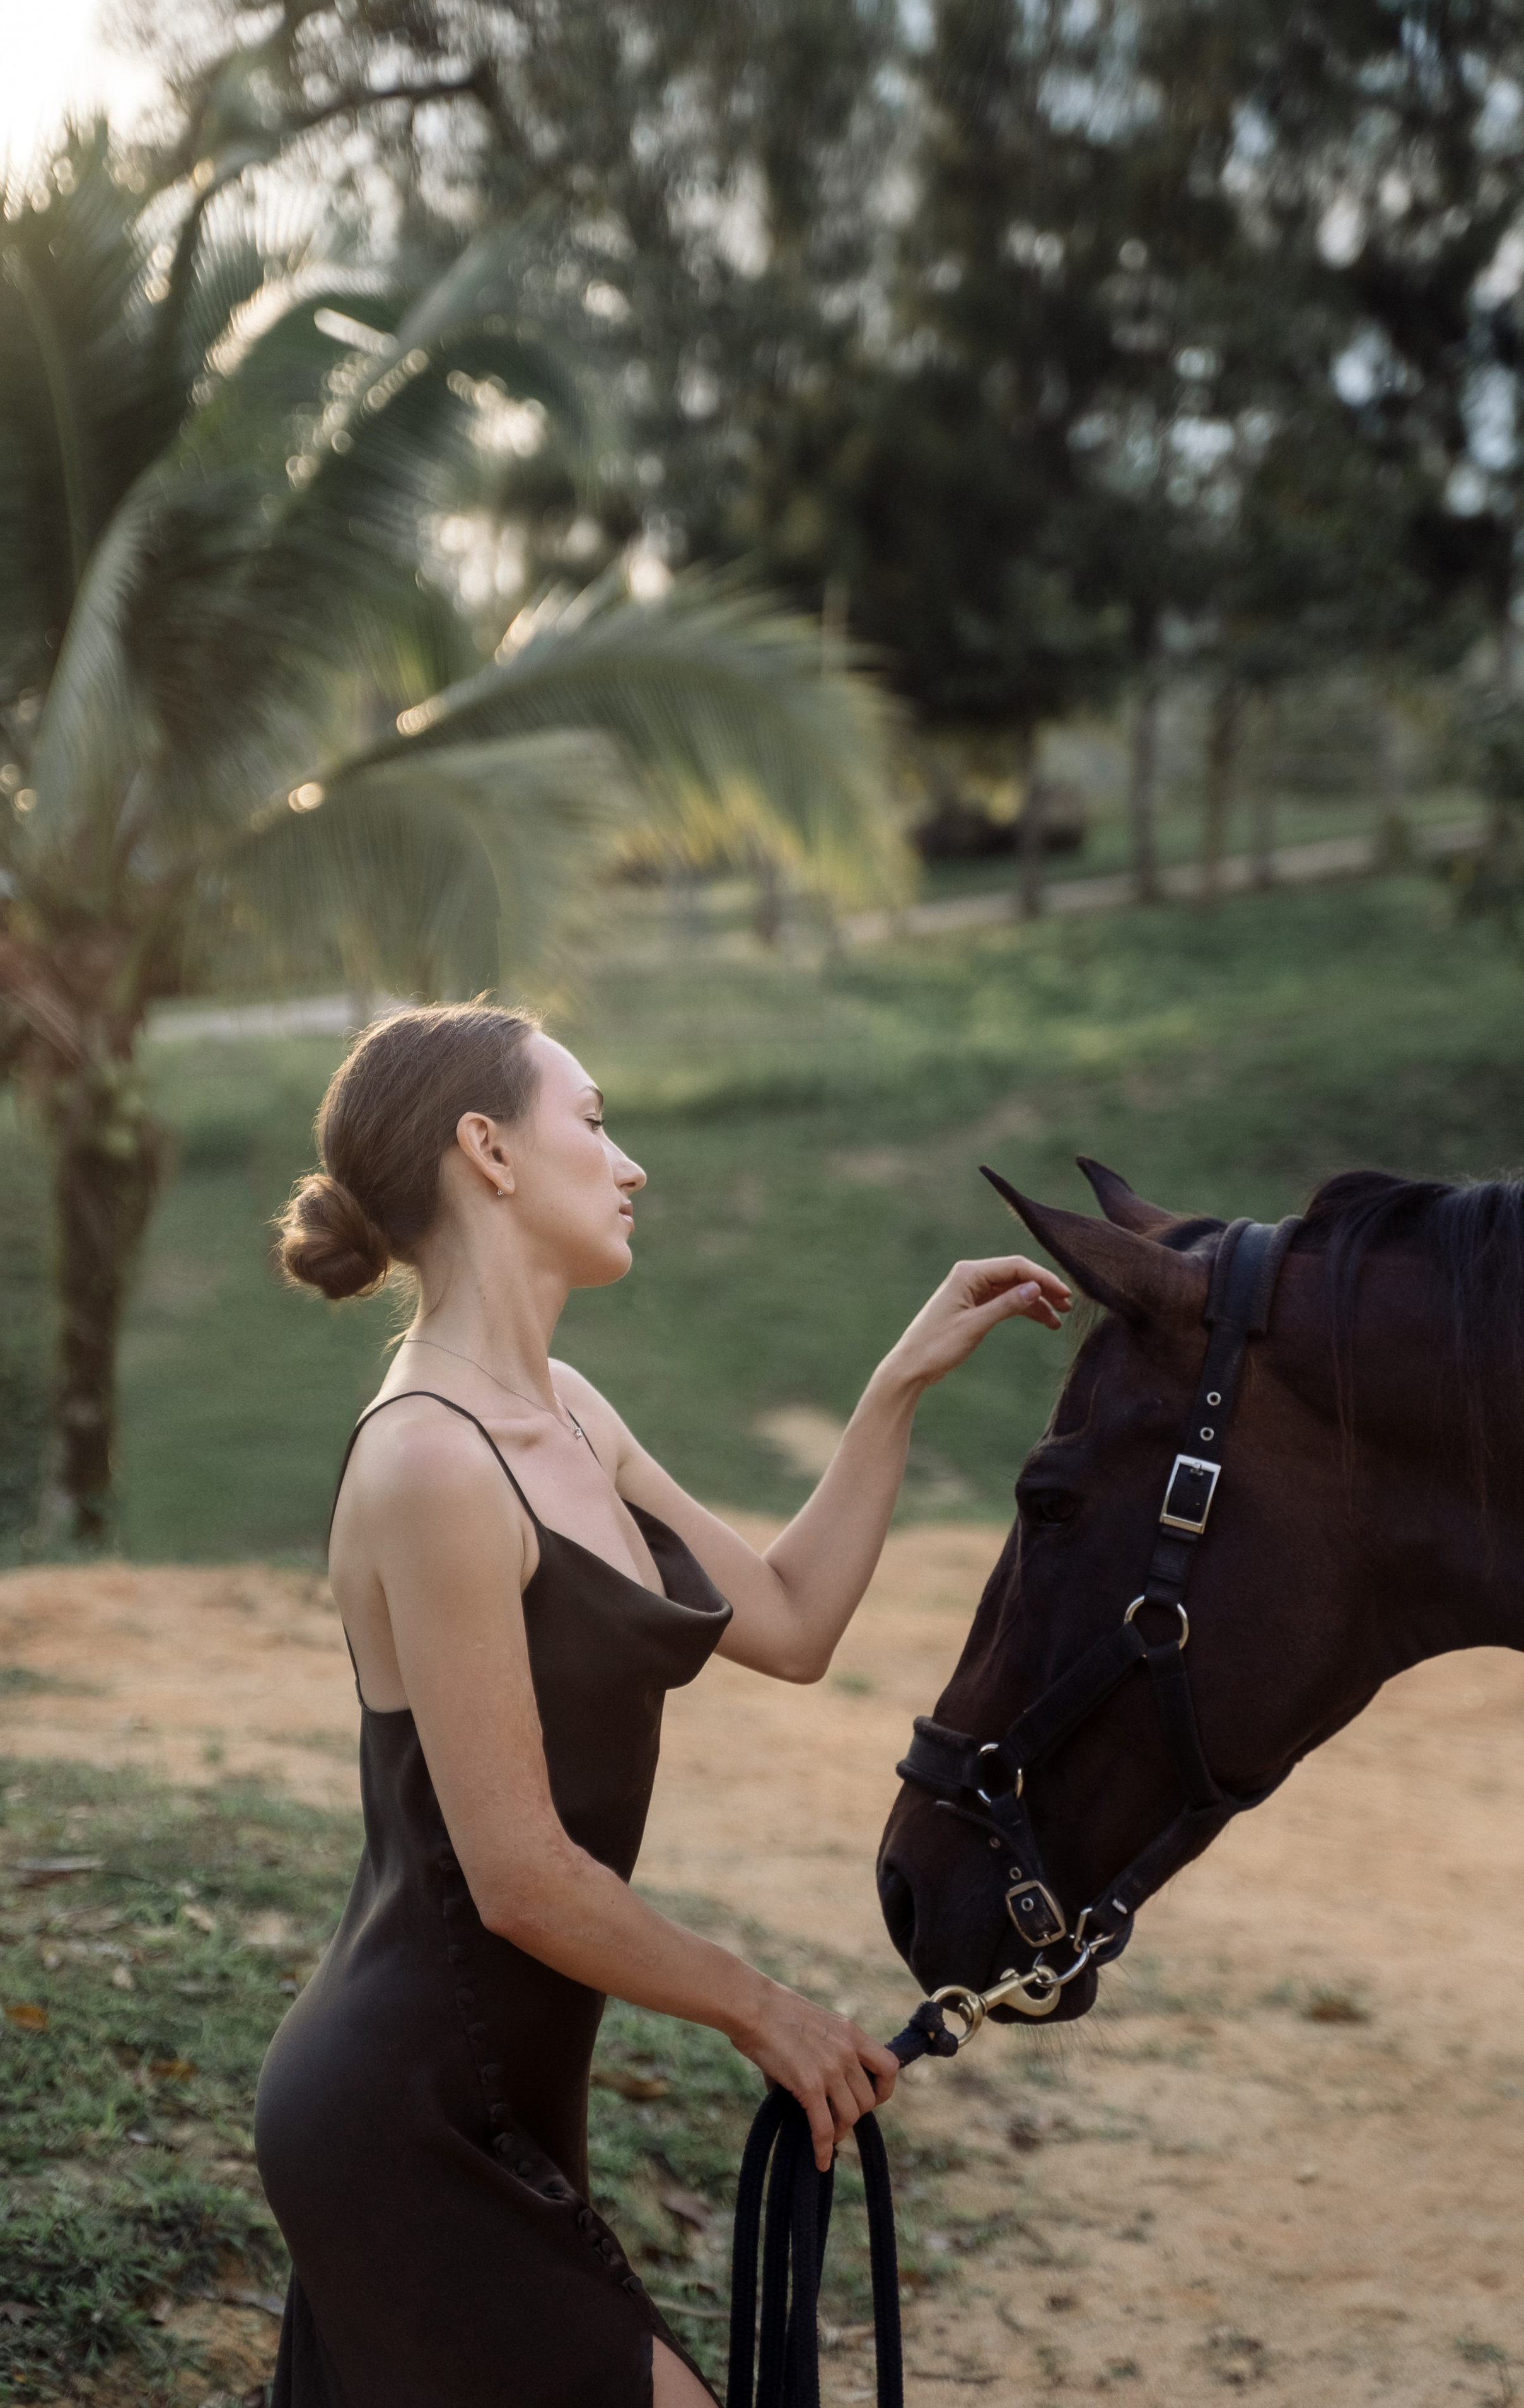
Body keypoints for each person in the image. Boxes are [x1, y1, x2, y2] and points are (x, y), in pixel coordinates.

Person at [254, 999, 1071, 2408]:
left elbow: (797, 1621)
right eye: (592, 1117)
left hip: (514, 2099)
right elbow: (516, 1877)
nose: (627, 1162)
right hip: (397, 2115)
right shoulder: (428, 1464)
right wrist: (764, 2010)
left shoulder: (568, 1408)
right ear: (487, 1149)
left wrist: (893, 1387)